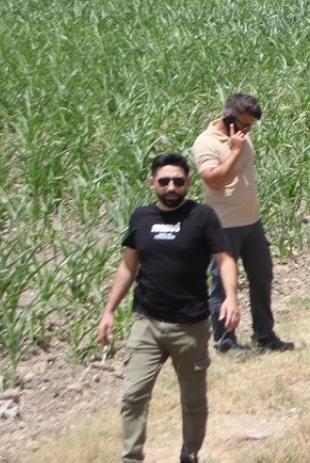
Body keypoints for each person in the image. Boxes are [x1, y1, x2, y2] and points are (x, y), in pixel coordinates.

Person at [97, 153, 240, 463]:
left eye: (178, 181)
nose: (171, 187)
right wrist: (108, 311)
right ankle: (131, 457)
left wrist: (231, 297)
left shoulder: (202, 216)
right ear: (152, 184)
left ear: (188, 182)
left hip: (190, 325)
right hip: (147, 322)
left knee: (193, 401)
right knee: (133, 396)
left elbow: (225, 259)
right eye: (164, 181)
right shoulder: (141, 218)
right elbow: (127, 267)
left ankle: (190, 455)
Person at [192, 93, 293, 352]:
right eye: (244, 125)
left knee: (262, 276)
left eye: (251, 127)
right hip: (223, 224)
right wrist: (235, 150)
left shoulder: (240, 135)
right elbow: (213, 181)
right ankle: (225, 340)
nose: (248, 131)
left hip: (251, 220)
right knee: (223, 285)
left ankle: (264, 334)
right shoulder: (206, 143)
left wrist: (239, 143)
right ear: (228, 117)